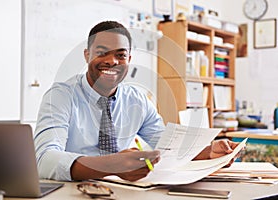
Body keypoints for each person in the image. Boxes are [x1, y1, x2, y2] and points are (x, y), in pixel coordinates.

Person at [34, 21, 239, 182]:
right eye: (101, 52)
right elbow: (44, 159)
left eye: (120, 55)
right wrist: (109, 166)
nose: (111, 61)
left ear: (129, 60)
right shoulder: (60, 96)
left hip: (121, 191)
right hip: (71, 192)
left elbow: (166, 145)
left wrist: (209, 150)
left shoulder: (137, 99)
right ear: (87, 55)